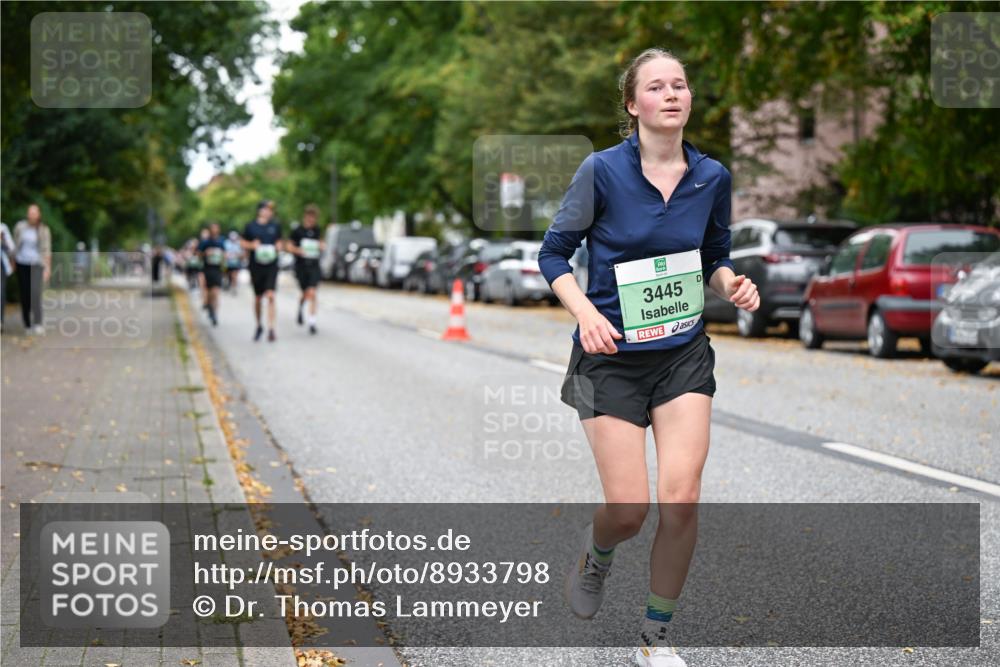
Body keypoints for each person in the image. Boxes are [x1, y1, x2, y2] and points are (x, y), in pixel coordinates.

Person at [537, 49, 759, 667]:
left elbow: (714, 255)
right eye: (656, 87)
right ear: (633, 105)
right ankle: (596, 553)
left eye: (680, 84)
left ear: (689, 100)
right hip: (609, 358)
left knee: (681, 497)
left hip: (682, 354)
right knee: (629, 509)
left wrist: (731, 285)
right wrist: (585, 313)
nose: (671, 94)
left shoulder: (711, 177)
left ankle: (656, 639)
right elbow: (553, 255)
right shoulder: (602, 172)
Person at [241, 200, 282, 342]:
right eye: (266, 209)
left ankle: (271, 328)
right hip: (256, 266)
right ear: (260, 210)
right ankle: (259, 325)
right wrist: (252, 245)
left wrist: (278, 246)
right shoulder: (250, 226)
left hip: (271, 265)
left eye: (271, 210)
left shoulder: (275, 226)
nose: (269, 212)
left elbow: (279, 241)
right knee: (258, 297)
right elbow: (242, 242)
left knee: (271, 295)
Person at [13, 204, 52, 334]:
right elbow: (14, 245)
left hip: (36, 264)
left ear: (39, 214)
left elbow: (47, 250)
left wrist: (47, 268)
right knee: (24, 294)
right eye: (30, 212)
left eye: (34, 213)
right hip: (21, 263)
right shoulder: (20, 227)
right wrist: (12, 261)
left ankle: (38, 322)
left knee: (35, 293)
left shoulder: (43, 229)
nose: (32, 215)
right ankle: (27, 324)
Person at [288, 204, 325, 335]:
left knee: (313, 292)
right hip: (301, 266)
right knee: (305, 293)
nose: (312, 220)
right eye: (310, 217)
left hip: (314, 265)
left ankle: (312, 322)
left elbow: (321, 243)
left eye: (314, 218)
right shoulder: (297, 230)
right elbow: (289, 246)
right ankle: (301, 306)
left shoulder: (317, 230)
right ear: (305, 217)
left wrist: (321, 246)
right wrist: (298, 250)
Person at [198, 223, 226, 326]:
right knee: (209, 292)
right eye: (213, 228)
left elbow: (224, 254)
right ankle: (209, 306)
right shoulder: (205, 242)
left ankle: (215, 314)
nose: (215, 230)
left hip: (218, 270)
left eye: (216, 228)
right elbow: (198, 254)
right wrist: (205, 253)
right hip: (207, 269)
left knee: (216, 292)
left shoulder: (221, 242)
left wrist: (224, 261)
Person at [1, 221, 14, 331]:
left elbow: (11, 248)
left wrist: (3, 241)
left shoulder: (3, 227)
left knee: (1, 292)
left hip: (1, 265)